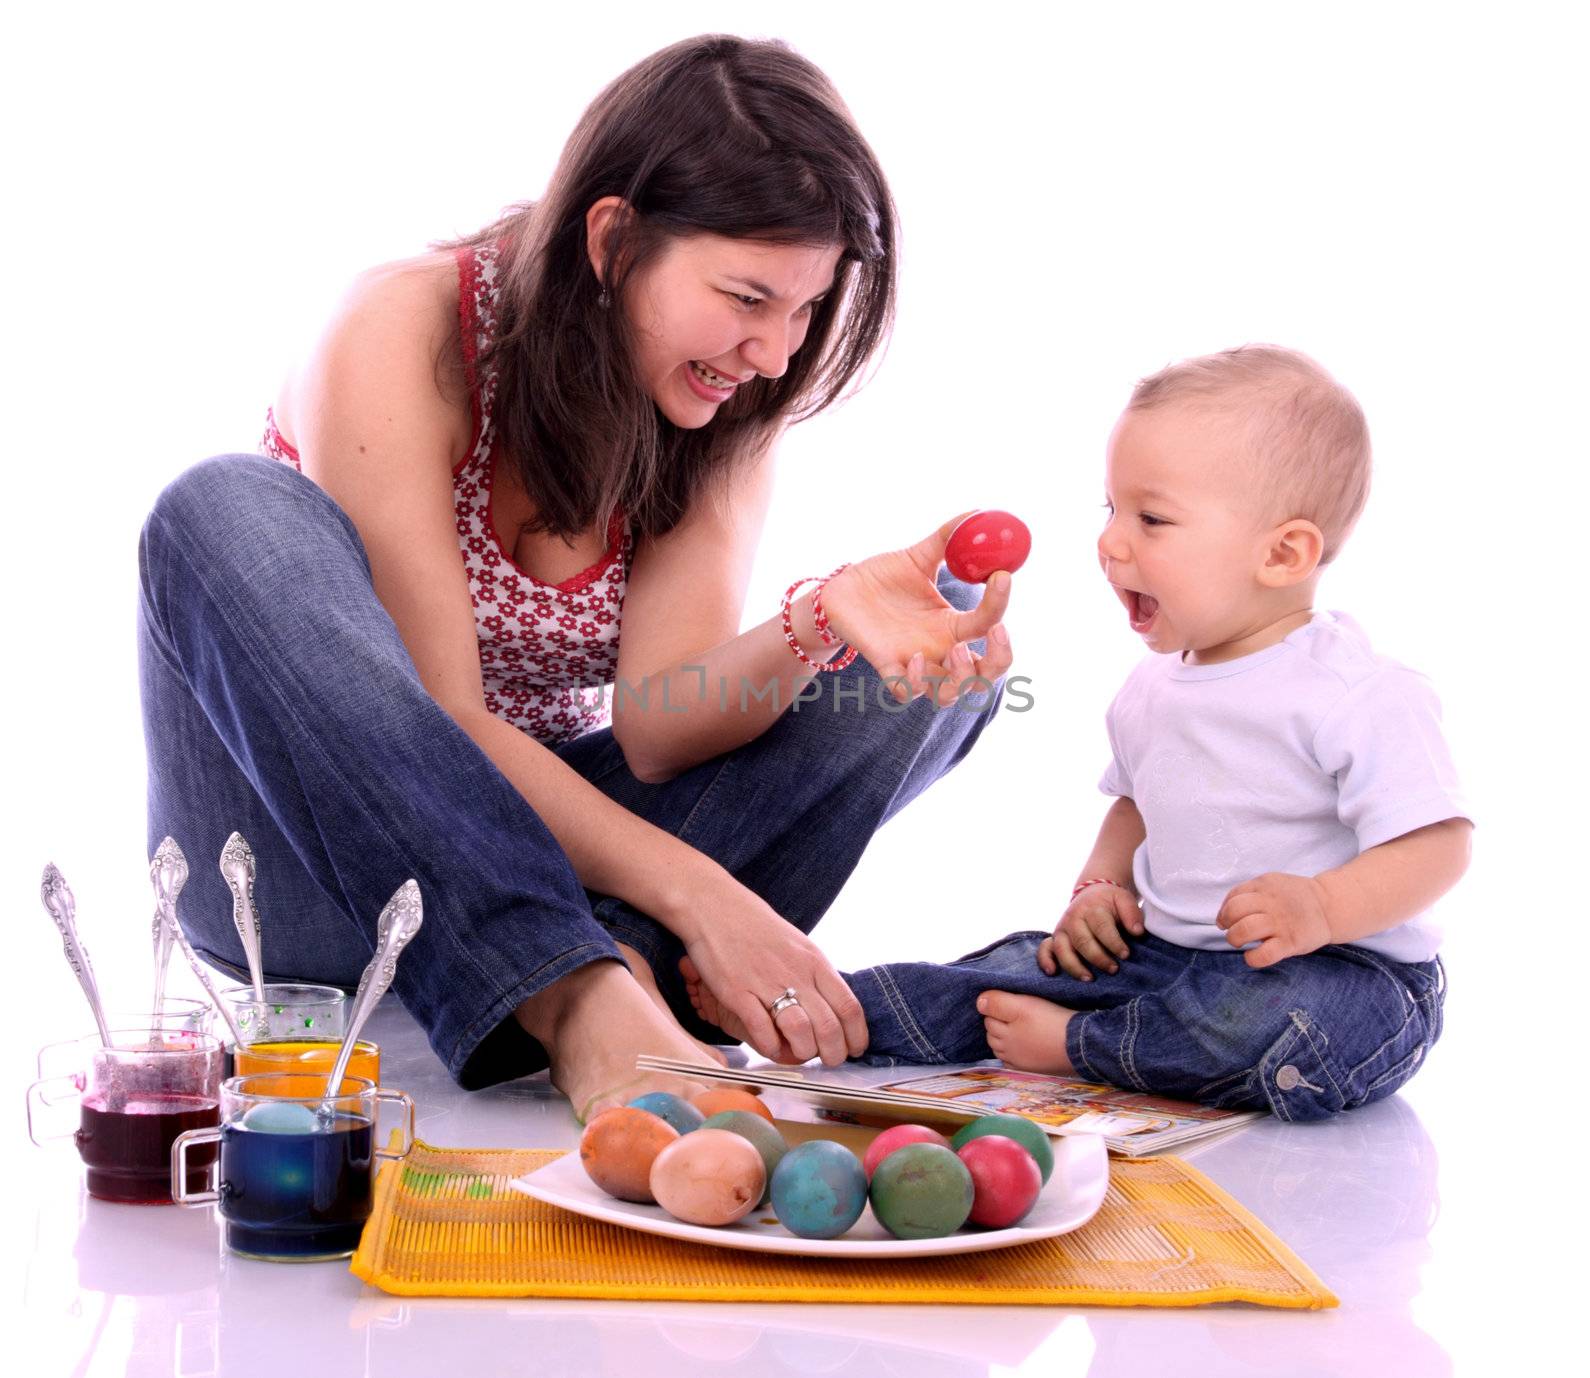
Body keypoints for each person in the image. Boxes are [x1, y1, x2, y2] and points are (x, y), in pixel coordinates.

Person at [137, 35, 1015, 1124]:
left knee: (932, 649)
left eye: (802, 310)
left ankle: (601, 969)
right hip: (312, 863)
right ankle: (577, 990)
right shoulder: (403, 329)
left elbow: (659, 729)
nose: (776, 353)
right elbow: (440, 719)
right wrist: (707, 894)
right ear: (612, 239)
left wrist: (818, 621)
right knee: (218, 508)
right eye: (747, 297)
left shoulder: (722, 403)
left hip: (547, 848)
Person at [684, 345, 1471, 1121]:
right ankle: (804, 1015)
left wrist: (1324, 909)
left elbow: (1438, 845)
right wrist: (1102, 888)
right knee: (1004, 974)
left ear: (1283, 553)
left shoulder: (1358, 691)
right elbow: (1135, 808)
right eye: (1112, 510)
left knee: (1288, 1018)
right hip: (1166, 959)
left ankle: (1085, 1044)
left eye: (1152, 519)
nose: (1110, 543)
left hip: (1344, 970)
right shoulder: (1153, 686)